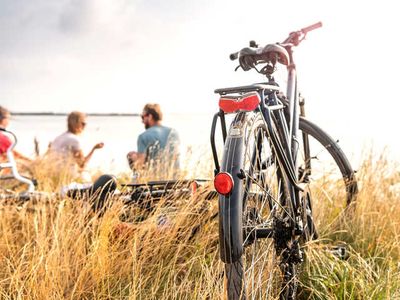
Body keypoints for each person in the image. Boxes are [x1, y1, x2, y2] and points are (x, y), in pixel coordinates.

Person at [49, 111, 104, 181]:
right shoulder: (74, 140)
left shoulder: (59, 137)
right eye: (83, 124)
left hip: (54, 176)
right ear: (75, 123)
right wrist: (94, 149)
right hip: (69, 176)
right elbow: (82, 164)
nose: (85, 126)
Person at [127, 103, 180, 174]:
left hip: (154, 182)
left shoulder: (143, 136)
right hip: (175, 181)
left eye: (143, 117)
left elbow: (139, 166)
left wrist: (132, 157)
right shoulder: (174, 132)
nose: (142, 121)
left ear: (150, 116)